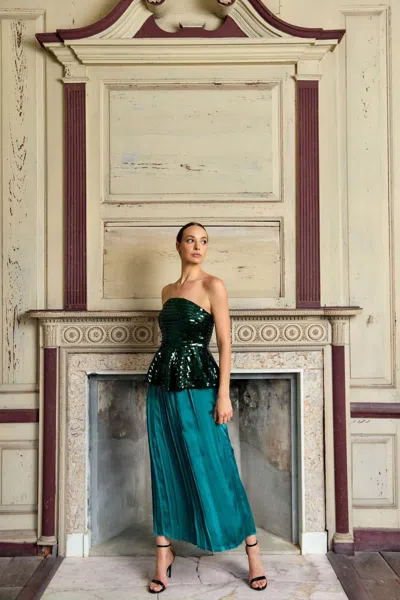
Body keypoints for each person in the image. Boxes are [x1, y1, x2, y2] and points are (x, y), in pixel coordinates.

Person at [145, 222, 267, 593]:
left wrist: (223, 395)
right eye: (191, 240)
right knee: (165, 464)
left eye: (203, 241)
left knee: (218, 464)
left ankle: (253, 553)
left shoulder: (214, 286)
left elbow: (226, 343)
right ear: (178, 245)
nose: (198, 246)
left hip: (200, 386)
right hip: (162, 386)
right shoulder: (167, 291)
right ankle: (163, 554)